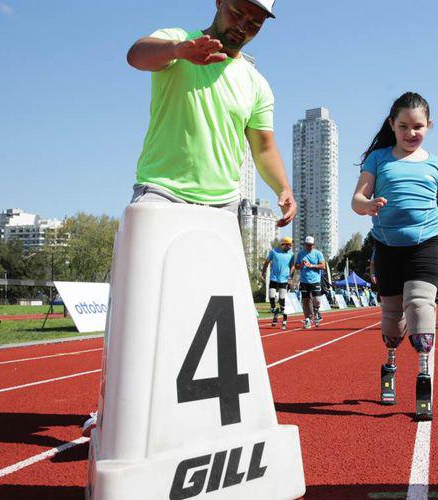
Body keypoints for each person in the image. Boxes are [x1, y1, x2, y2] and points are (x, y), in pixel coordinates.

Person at [83, 0, 294, 438]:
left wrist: (284, 189)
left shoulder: (256, 83)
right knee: (136, 309)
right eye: (239, 13)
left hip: (222, 208)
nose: (244, 26)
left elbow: (264, 147)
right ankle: (110, 411)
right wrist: (180, 51)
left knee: (214, 314)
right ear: (219, 2)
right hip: (160, 193)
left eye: (256, 23)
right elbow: (136, 55)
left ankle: (201, 415)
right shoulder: (175, 40)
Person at [351, 92, 438, 420]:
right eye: (403, 126)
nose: (410, 132)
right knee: (393, 320)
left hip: (425, 245)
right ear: (392, 125)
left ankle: (423, 376)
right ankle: (390, 362)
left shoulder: (437, 165)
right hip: (387, 247)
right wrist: (368, 205)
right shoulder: (378, 159)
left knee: (420, 305)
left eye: (418, 126)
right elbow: (357, 199)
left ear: (429, 126)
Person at [261, 237, 295, 329]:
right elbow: (266, 262)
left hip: (284, 279)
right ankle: (275, 311)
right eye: (289, 245)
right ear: (283, 244)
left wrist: (290, 276)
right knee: (271, 296)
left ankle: (284, 319)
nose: (290, 247)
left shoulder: (291, 254)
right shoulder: (274, 252)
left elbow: (292, 266)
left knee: (281, 299)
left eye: (291, 245)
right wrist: (263, 273)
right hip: (274, 278)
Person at [296, 236, 326, 329]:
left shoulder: (318, 254)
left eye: (311, 245)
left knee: (317, 300)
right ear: (305, 245)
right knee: (305, 300)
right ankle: (307, 319)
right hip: (304, 281)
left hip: (315, 280)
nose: (309, 247)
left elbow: (323, 266)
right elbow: (296, 266)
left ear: (314, 245)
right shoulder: (300, 254)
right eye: (307, 245)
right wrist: (300, 265)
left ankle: (316, 311)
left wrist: (311, 265)